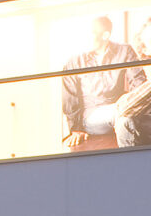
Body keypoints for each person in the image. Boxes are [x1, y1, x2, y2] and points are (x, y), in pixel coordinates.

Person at [61, 16, 134, 148]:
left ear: (105, 35)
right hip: (91, 116)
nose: (84, 38)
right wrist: (75, 129)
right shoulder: (74, 61)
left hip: (119, 109)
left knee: (126, 118)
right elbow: (69, 98)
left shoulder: (124, 51)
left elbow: (138, 82)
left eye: (91, 33)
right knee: (120, 113)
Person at [112, 19, 151, 148]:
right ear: (144, 47)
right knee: (124, 122)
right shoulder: (145, 65)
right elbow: (123, 109)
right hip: (146, 120)